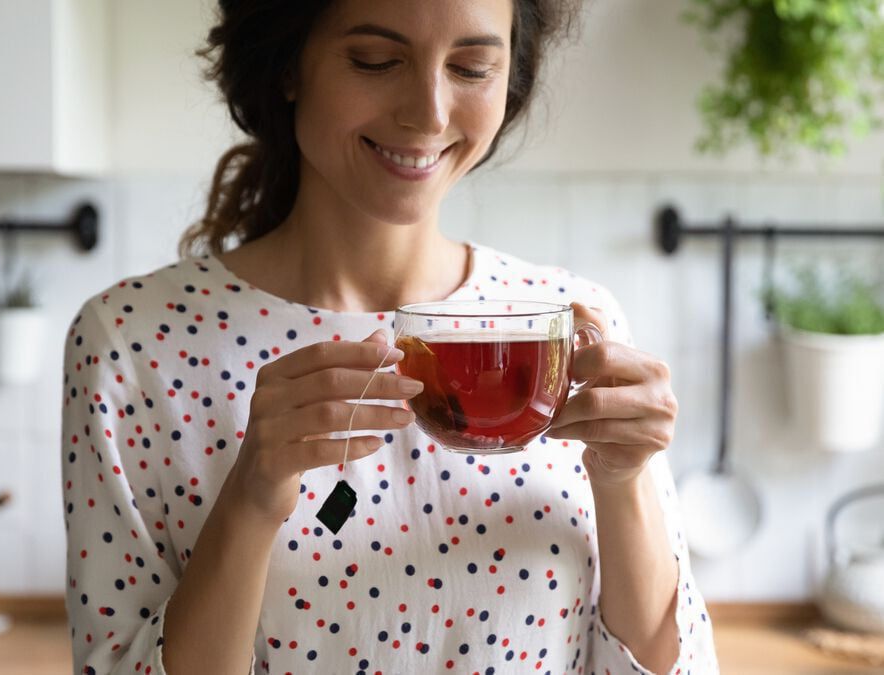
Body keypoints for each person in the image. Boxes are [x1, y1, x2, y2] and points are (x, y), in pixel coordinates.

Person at [61, 1, 719, 673]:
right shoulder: (132, 345)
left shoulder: (568, 328)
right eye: (376, 60)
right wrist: (251, 500)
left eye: (471, 66)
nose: (429, 112)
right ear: (289, 64)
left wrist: (623, 481)